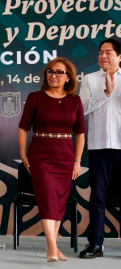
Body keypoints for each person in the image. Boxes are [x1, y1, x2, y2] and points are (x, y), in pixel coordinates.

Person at [18, 57, 85, 263]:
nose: (53, 76)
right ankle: (53, 248)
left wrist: (77, 161)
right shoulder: (35, 97)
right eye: (50, 72)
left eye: (58, 72)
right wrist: (23, 155)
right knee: (47, 199)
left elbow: (80, 133)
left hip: (65, 156)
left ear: (68, 77)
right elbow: (23, 128)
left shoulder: (75, 100)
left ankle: (52, 246)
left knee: (58, 202)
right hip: (40, 155)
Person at [79, 38, 121, 259]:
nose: (103, 56)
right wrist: (104, 93)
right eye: (100, 52)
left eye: (109, 52)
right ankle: (96, 243)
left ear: (119, 56)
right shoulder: (89, 79)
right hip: (99, 146)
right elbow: (82, 109)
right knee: (98, 197)